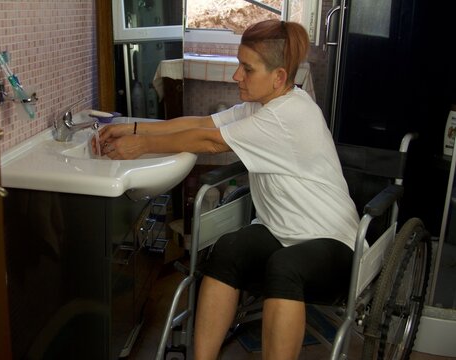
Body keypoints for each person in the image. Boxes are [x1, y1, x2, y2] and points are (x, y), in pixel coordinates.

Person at [94, 19, 359, 360]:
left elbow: (211, 141)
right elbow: (201, 123)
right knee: (228, 249)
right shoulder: (263, 105)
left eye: (246, 69)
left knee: (285, 267)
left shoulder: (289, 114)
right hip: (281, 233)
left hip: (334, 243)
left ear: (278, 77)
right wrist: (131, 126)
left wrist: (141, 144)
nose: (237, 76)